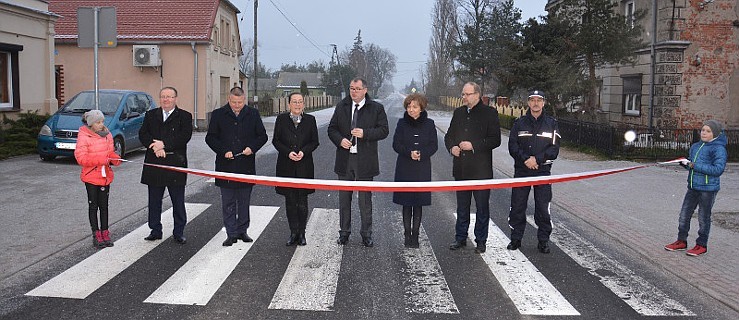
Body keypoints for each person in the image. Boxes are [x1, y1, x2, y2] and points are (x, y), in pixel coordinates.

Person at [327, 77, 389, 247]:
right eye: (351, 88)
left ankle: (366, 234)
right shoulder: (342, 106)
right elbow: (331, 129)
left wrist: (366, 134)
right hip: (345, 160)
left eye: (357, 89)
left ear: (365, 90)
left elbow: (384, 130)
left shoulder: (376, 108)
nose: (353, 92)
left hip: (365, 161)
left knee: (365, 201)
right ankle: (344, 233)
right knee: (344, 200)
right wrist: (340, 140)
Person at [206, 87, 268, 247]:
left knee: (244, 201)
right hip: (225, 165)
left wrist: (252, 148)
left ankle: (242, 231)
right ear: (229, 99)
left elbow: (262, 136)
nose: (237, 105)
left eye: (240, 102)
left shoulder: (252, 114)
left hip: (245, 165)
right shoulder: (219, 114)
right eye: (234, 102)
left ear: (244, 99)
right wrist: (223, 150)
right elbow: (210, 137)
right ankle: (231, 233)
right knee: (228, 202)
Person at [444, 81, 501, 254]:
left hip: (481, 170)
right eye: (463, 94)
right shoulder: (459, 113)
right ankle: (460, 238)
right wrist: (452, 147)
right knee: (462, 206)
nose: (464, 97)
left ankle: (481, 240)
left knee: (482, 207)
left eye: (467, 94)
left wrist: (473, 145)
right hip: (461, 168)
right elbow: (449, 136)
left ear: (477, 95)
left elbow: (495, 140)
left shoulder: (489, 113)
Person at [507, 90, 560, 254]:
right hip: (522, 171)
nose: (535, 103)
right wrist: (526, 160)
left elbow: (554, 149)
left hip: (542, 171)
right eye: (532, 100)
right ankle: (516, 238)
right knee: (517, 206)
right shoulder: (519, 123)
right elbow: (512, 146)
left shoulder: (552, 124)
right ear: (528, 103)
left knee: (543, 208)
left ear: (544, 103)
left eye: (539, 100)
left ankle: (543, 241)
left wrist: (537, 159)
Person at [664, 119, 727, 256]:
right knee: (684, 215)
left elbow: (718, 170)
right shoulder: (696, 146)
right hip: (693, 187)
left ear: (715, 134)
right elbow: (691, 165)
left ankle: (701, 245)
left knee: (703, 218)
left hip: (708, 189)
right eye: (703, 130)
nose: (704, 133)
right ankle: (681, 241)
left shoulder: (719, 149)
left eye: (708, 131)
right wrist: (684, 163)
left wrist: (694, 166)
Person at [139, 86, 193, 244]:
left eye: (169, 97)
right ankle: (155, 230)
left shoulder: (184, 116)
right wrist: (154, 146)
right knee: (154, 201)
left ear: (176, 99)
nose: (166, 100)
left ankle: (179, 232)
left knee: (177, 201)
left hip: (175, 164)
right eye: (163, 96)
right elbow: (143, 134)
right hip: (154, 164)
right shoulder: (150, 115)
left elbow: (184, 137)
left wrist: (164, 145)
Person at [272, 92, 319, 246]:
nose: (297, 105)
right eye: (294, 102)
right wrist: (288, 153)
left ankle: (302, 233)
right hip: (286, 166)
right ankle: (293, 232)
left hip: (304, 166)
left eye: (300, 102)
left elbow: (314, 142)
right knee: (290, 201)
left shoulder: (310, 120)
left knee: (302, 201)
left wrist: (303, 152)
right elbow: (276, 141)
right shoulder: (281, 119)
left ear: (303, 104)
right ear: (289, 104)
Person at [392, 93, 438, 248]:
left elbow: (433, 145)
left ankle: (416, 236)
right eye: (409, 106)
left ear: (421, 108)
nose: (411, 110)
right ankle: (406, 235)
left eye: (414, 107)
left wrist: (422, 154)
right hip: (405, 167)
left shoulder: (430, 124)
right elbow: (396, 144)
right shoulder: (401, 123)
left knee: (418, 203)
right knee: (406, 203)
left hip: (422, 168)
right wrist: (408, 152)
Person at [74, 110, 122, 248]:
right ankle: (96, 234)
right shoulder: (84, 136)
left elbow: (110, 152)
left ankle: (105, 232)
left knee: (104, 206)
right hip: (91, 176)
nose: (101, 125)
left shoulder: (107, 135)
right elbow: (81, 158)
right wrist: (101, 159)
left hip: (105, 175)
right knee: (93, 205)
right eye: (98, 122)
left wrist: (114, 158)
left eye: (102, 122)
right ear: (91, 124)